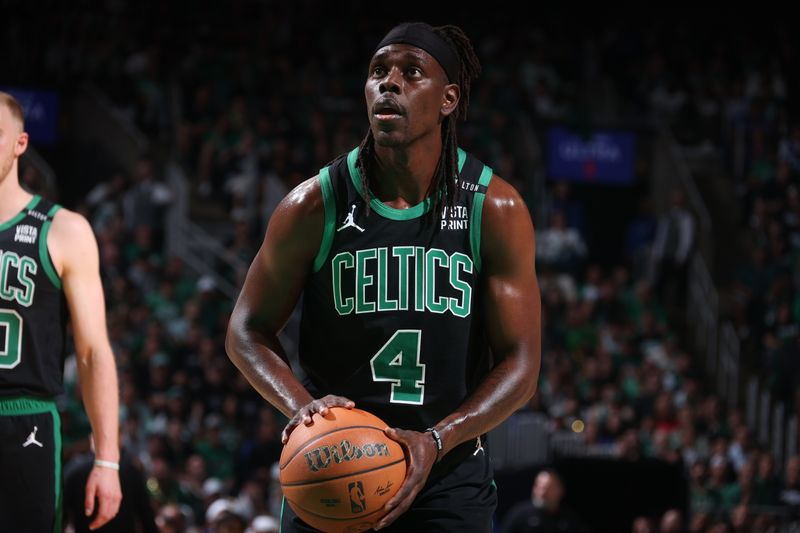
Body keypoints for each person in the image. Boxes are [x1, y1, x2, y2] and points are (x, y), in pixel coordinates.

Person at [226, 22, 541, 532]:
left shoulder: (494, 207)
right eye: (378, 72)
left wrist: (439, 437)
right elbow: (244, 330)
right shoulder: (312, 204)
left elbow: (522, 366)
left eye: (411, 73)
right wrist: (304, 409)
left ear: (448, 99)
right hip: (334, 465)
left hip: (448, 472)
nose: (388, 84)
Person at [0, 91, 122, 531]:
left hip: (24, 418)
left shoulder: (63, 229)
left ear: (21, 143)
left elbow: (92, 352)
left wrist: (107, 460)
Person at [501, 470, 589, 533]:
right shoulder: (519, 515)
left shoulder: (570, 519)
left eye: (548, 488)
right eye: (539, 487)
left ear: (560, 491)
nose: (542, 493)